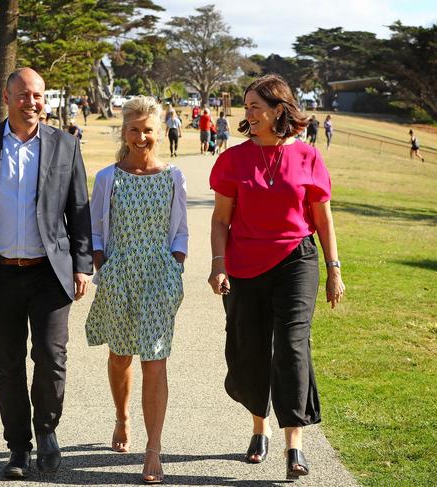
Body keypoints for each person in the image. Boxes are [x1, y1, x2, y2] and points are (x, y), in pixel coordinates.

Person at [0, 67, 93, 479]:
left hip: (49, 274)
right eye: (24, 95)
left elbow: (79, 210)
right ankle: (18, 448)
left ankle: (46, 431)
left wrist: (82, 266)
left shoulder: (65, 145)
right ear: (7, 98)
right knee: (8, 365)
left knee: (51, 358)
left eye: (38, 95)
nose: (32, 102)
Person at [208, 74, 345, 481]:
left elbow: (323, 218)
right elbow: (220, 219)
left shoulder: (307, 157)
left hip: (296, 259)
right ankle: (258, 426)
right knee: (249, 348)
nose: (246, 112)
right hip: (244, 263)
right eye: (246, 106)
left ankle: (294, 445)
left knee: (291, 345)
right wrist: (218, 264)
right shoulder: (233, 159)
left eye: (254, 106)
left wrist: (334, 269)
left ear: (278, 110)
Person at [85, 96, 188, 485]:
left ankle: (153, 448)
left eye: (148, 129)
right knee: (119, 356)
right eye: (134, 129)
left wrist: (176, 260)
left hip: (159, 276)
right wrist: (100, 260)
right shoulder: (108, 177)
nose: (141, 136)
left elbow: (180, 227)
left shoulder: (173, 176)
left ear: (159, 132)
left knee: (155, 360)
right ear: (124, 132)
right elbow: (96, 226)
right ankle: (121, 417)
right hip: (118, 274)